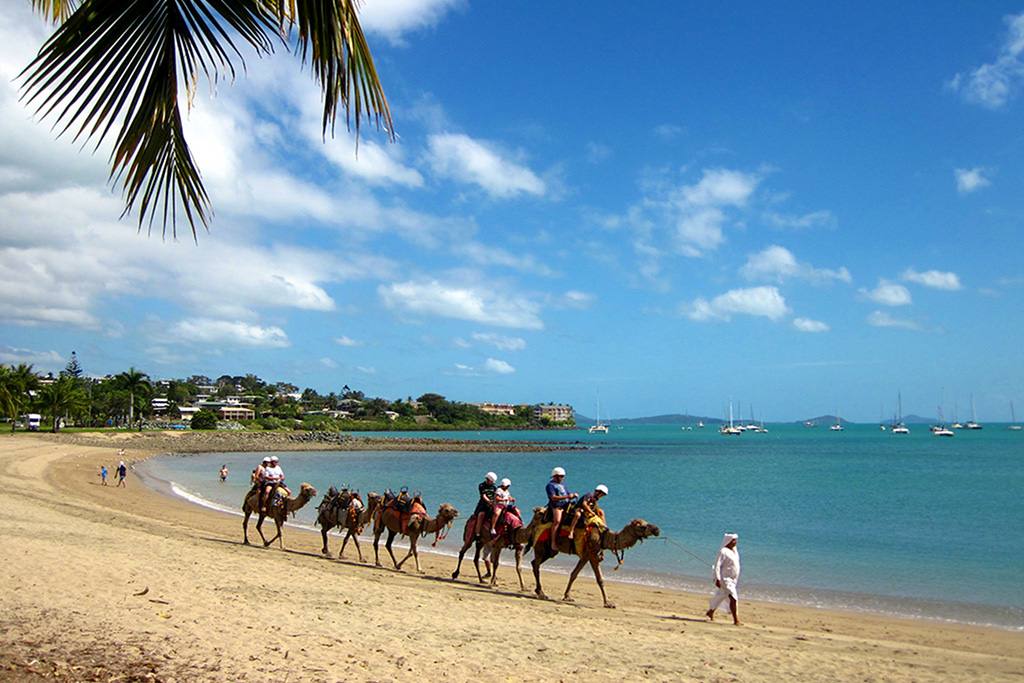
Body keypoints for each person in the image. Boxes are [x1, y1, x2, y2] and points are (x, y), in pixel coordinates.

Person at [706, 533, 741, 625]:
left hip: (733, 579)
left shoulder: (734, 550)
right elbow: (717, 565)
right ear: (728, 541)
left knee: (721, 596)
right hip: (725, 579)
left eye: (735, 540)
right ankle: (736, 620)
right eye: (733, 540)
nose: (735, 542)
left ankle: (711, 611)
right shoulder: (723, 551)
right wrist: (717, 578)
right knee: (733, 598)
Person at [545, 467, 576, 551]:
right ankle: (553, 542)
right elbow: (553, 497)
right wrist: (567, 496)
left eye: (562, 476)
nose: (562, 478)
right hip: (557, 506)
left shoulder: (563, 485)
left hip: (566, 505)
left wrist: (572, 495)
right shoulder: (550, 485)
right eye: (560, 476)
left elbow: (568, 494)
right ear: (555, 476)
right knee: (557, 521)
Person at [472, 472, 498, 538]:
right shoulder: (481, 486)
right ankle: (477, 533)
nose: (492, 483)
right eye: (491, 481)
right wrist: (489, 501)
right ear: (488, 480)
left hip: (492, 505)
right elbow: (483, 496)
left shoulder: (494, 488)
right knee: (481, 515)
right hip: (483, 505)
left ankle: (493, 529)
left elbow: (495, 496)